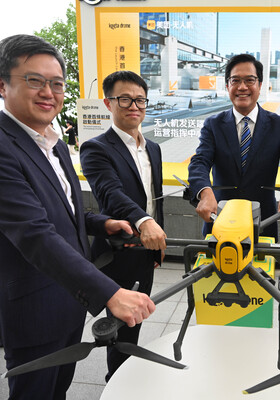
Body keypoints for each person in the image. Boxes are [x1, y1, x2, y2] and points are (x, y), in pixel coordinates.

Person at [0, 34, 155, 399]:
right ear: (1, 84)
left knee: (58, 389)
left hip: (70, 297)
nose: (48, 92)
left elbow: (64, 211)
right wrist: (110, 292)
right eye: (34, 80)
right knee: (34, 392)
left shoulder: (55, 143)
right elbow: (34, 234)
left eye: (57, 83)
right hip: (34, 305)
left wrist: (101, 223)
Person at [80, 70, 166, 381]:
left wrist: (156, 237)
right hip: (119, 251)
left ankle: (126, 377)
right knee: (120, 326)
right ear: (108, 103)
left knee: (137, 320)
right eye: (125, 99)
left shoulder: (153, 148)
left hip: (147, 249)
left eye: (140, 100)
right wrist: (145, 222)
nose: (134, 106)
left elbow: (153, 198)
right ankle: (116, 381)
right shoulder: (96, 148)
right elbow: (111, 194)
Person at [188, 53, 280, 240]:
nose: (242, 87)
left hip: (263, 224)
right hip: (220, 220)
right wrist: (204, 193)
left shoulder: (279, 125)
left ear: (260, 85)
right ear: (227, 85)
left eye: (249, 80)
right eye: (235, 80)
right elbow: (200, 162)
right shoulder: (213, 124)